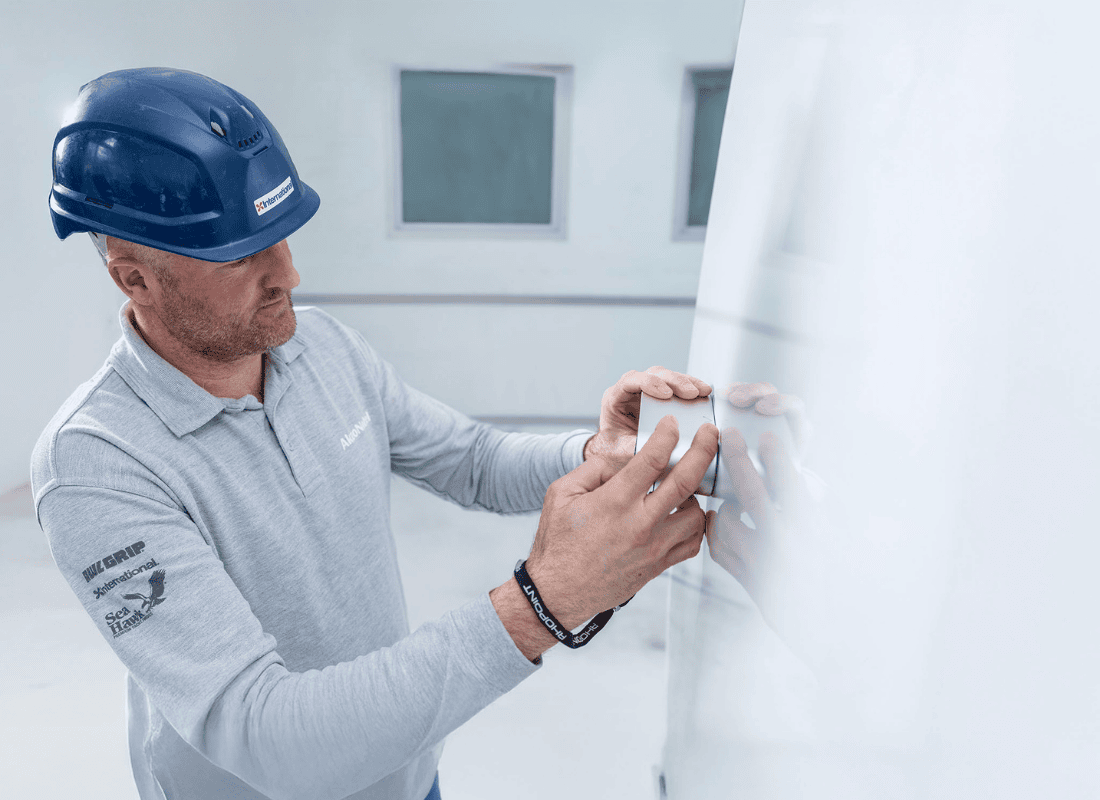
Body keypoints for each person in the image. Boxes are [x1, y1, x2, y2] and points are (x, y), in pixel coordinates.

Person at [32, 68, 782, 800]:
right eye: (240, 254)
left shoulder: (320, 347)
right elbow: (261, 735)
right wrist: (542, 603)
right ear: (134, 278)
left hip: (403, 770)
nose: (288, 274)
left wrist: (599, 453)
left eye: (285, 234)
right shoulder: (96, 464)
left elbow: (472, 460)